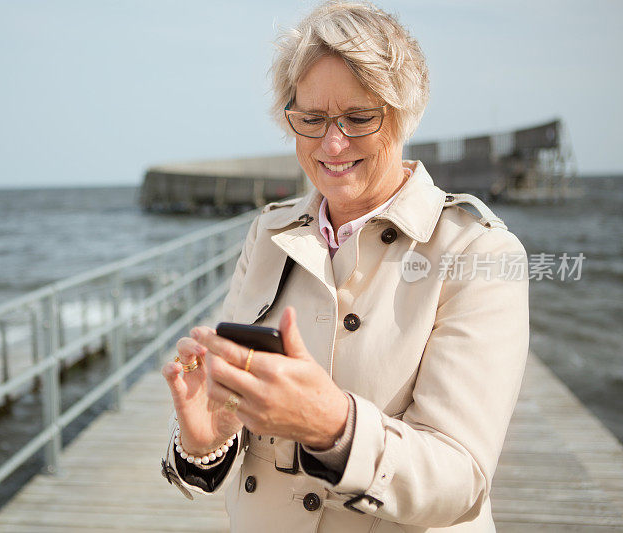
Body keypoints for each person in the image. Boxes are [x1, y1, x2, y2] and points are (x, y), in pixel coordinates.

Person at [160, 1, 529, 531]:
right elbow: (234, 429)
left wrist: (334, 426)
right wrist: (204, 441)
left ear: (405, 113)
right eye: (311, 119)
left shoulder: (480, 253)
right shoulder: (266, 234)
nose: (333, 144)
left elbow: (461, 477)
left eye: (359, 118)